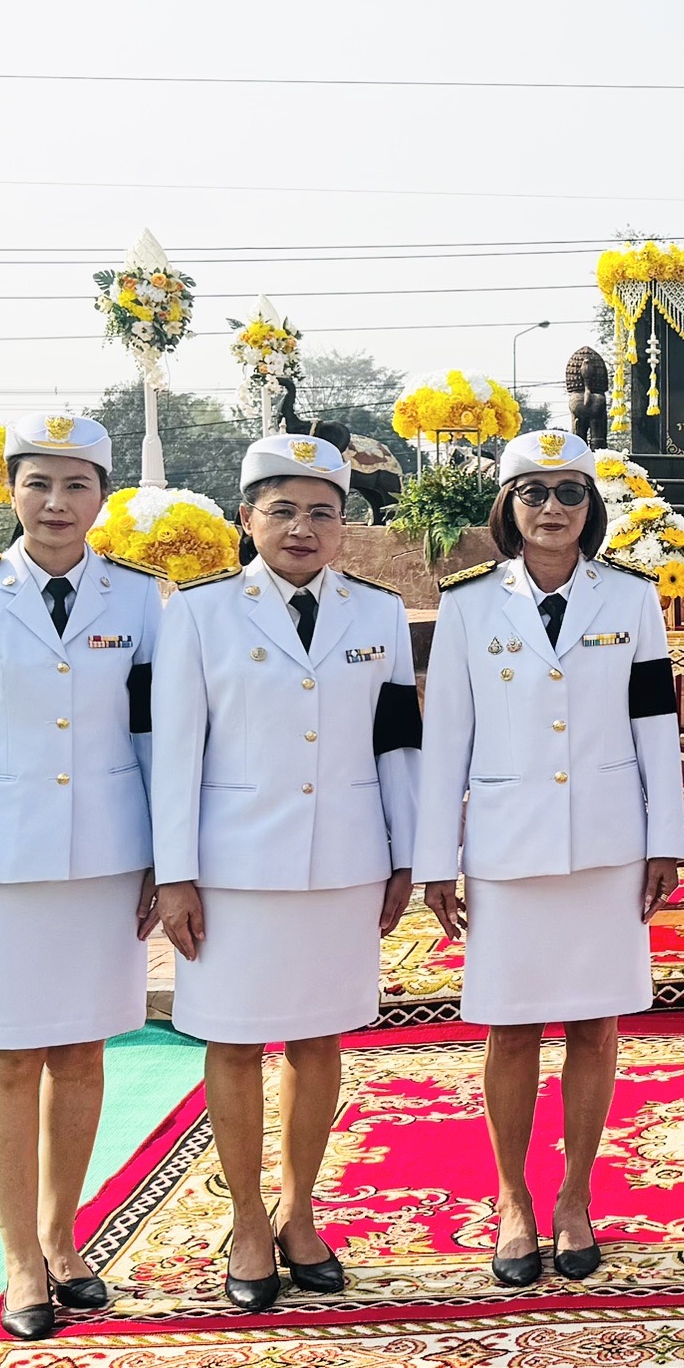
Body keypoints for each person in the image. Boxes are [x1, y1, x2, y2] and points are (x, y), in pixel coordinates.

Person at [149, 433, 423, 1308]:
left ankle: (300, 1212)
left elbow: (397, 741)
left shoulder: (377, 614)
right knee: (233, 1042)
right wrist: (175, 873)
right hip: (233, 868)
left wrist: (405, 853)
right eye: (283, 511)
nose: (302, 528)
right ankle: (246, 1221)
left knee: (319, 1038)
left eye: (321, 513)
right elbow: (175, 751)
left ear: (344, 526)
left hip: (343, 859)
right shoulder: (198, 612)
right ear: (246, 518)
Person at [0, 414, 161, 1340]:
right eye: (38, 484)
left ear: (102, 497)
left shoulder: (141, 600)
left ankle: (62, 1237)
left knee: (84, 1051)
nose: (56, 503)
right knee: (9, 1056)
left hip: (106, 856)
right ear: (11, 491)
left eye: (76, 485)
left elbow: (154, 735)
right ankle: (19, 1258)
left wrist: (165, 858)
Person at [416, 429, 684, 1287]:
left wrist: (665, 841)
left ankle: (575, 1195)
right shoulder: (468, 605)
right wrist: (435, 859)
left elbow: (654, 722)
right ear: (509, 507)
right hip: (509, 847)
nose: (552, 509)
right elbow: (445, 737)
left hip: (606, 844)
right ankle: (512, 1198)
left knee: (596, 1027)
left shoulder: (631, 599)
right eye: (533, 493)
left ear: (591, 507)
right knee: (512, 1029)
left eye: (571, 492)